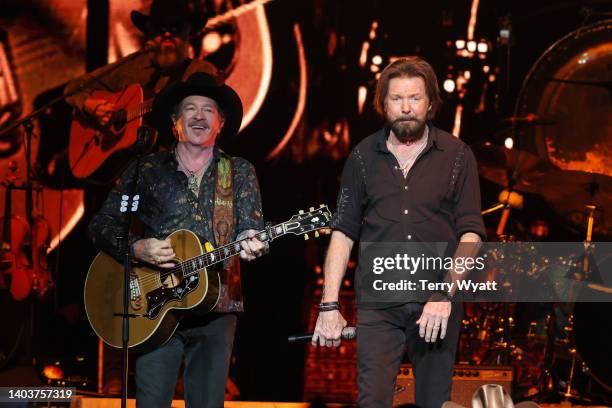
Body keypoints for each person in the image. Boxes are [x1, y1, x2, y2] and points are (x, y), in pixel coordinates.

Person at [312, 57, 486, 408]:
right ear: (382, 104)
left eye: (415, 98)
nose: (406, 108)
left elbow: (471, 234)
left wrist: (444, 295)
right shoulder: (362, 157)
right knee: (372, 400)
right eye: (396, 99)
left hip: (437, 304)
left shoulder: (457, 156)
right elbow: (343, 233)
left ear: (431, 103)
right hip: (379, 305)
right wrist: (329, 304)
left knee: (435, 402)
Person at [88, 71, 267, 407]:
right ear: (174, 122)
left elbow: (251, 227)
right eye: (190, 108)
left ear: (221, 123)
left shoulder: (239, 171)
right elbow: (102, 224)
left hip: (217, 305)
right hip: (153, 308)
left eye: (208, 110)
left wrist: (253, 241)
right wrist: (136, 247)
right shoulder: (145, 169)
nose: (199, 116)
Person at [65, 0, 219, 149]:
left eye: (176, 28)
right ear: (150, 34)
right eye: (159, 28)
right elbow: (73, 88)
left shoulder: (200, 71)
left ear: (188, 33)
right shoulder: (132, 65)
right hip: (120, 168)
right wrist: (90, 105)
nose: (167, 34)